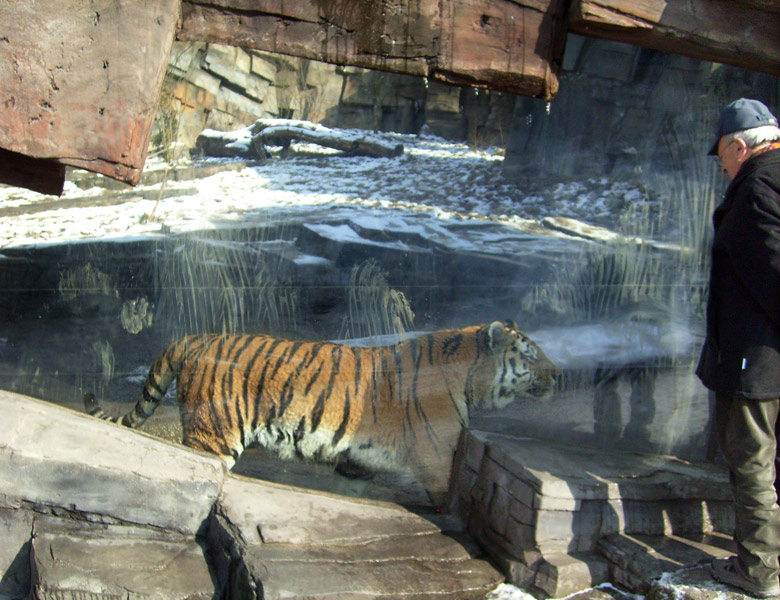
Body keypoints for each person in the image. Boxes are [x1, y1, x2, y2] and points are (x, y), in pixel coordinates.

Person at [696, 98, 780, 597]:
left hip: (760, 361)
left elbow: (774, 270)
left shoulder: (755, 189)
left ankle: (760, 571)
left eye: (722, 155)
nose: (721, 166)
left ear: (740, 146)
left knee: (751, 461)